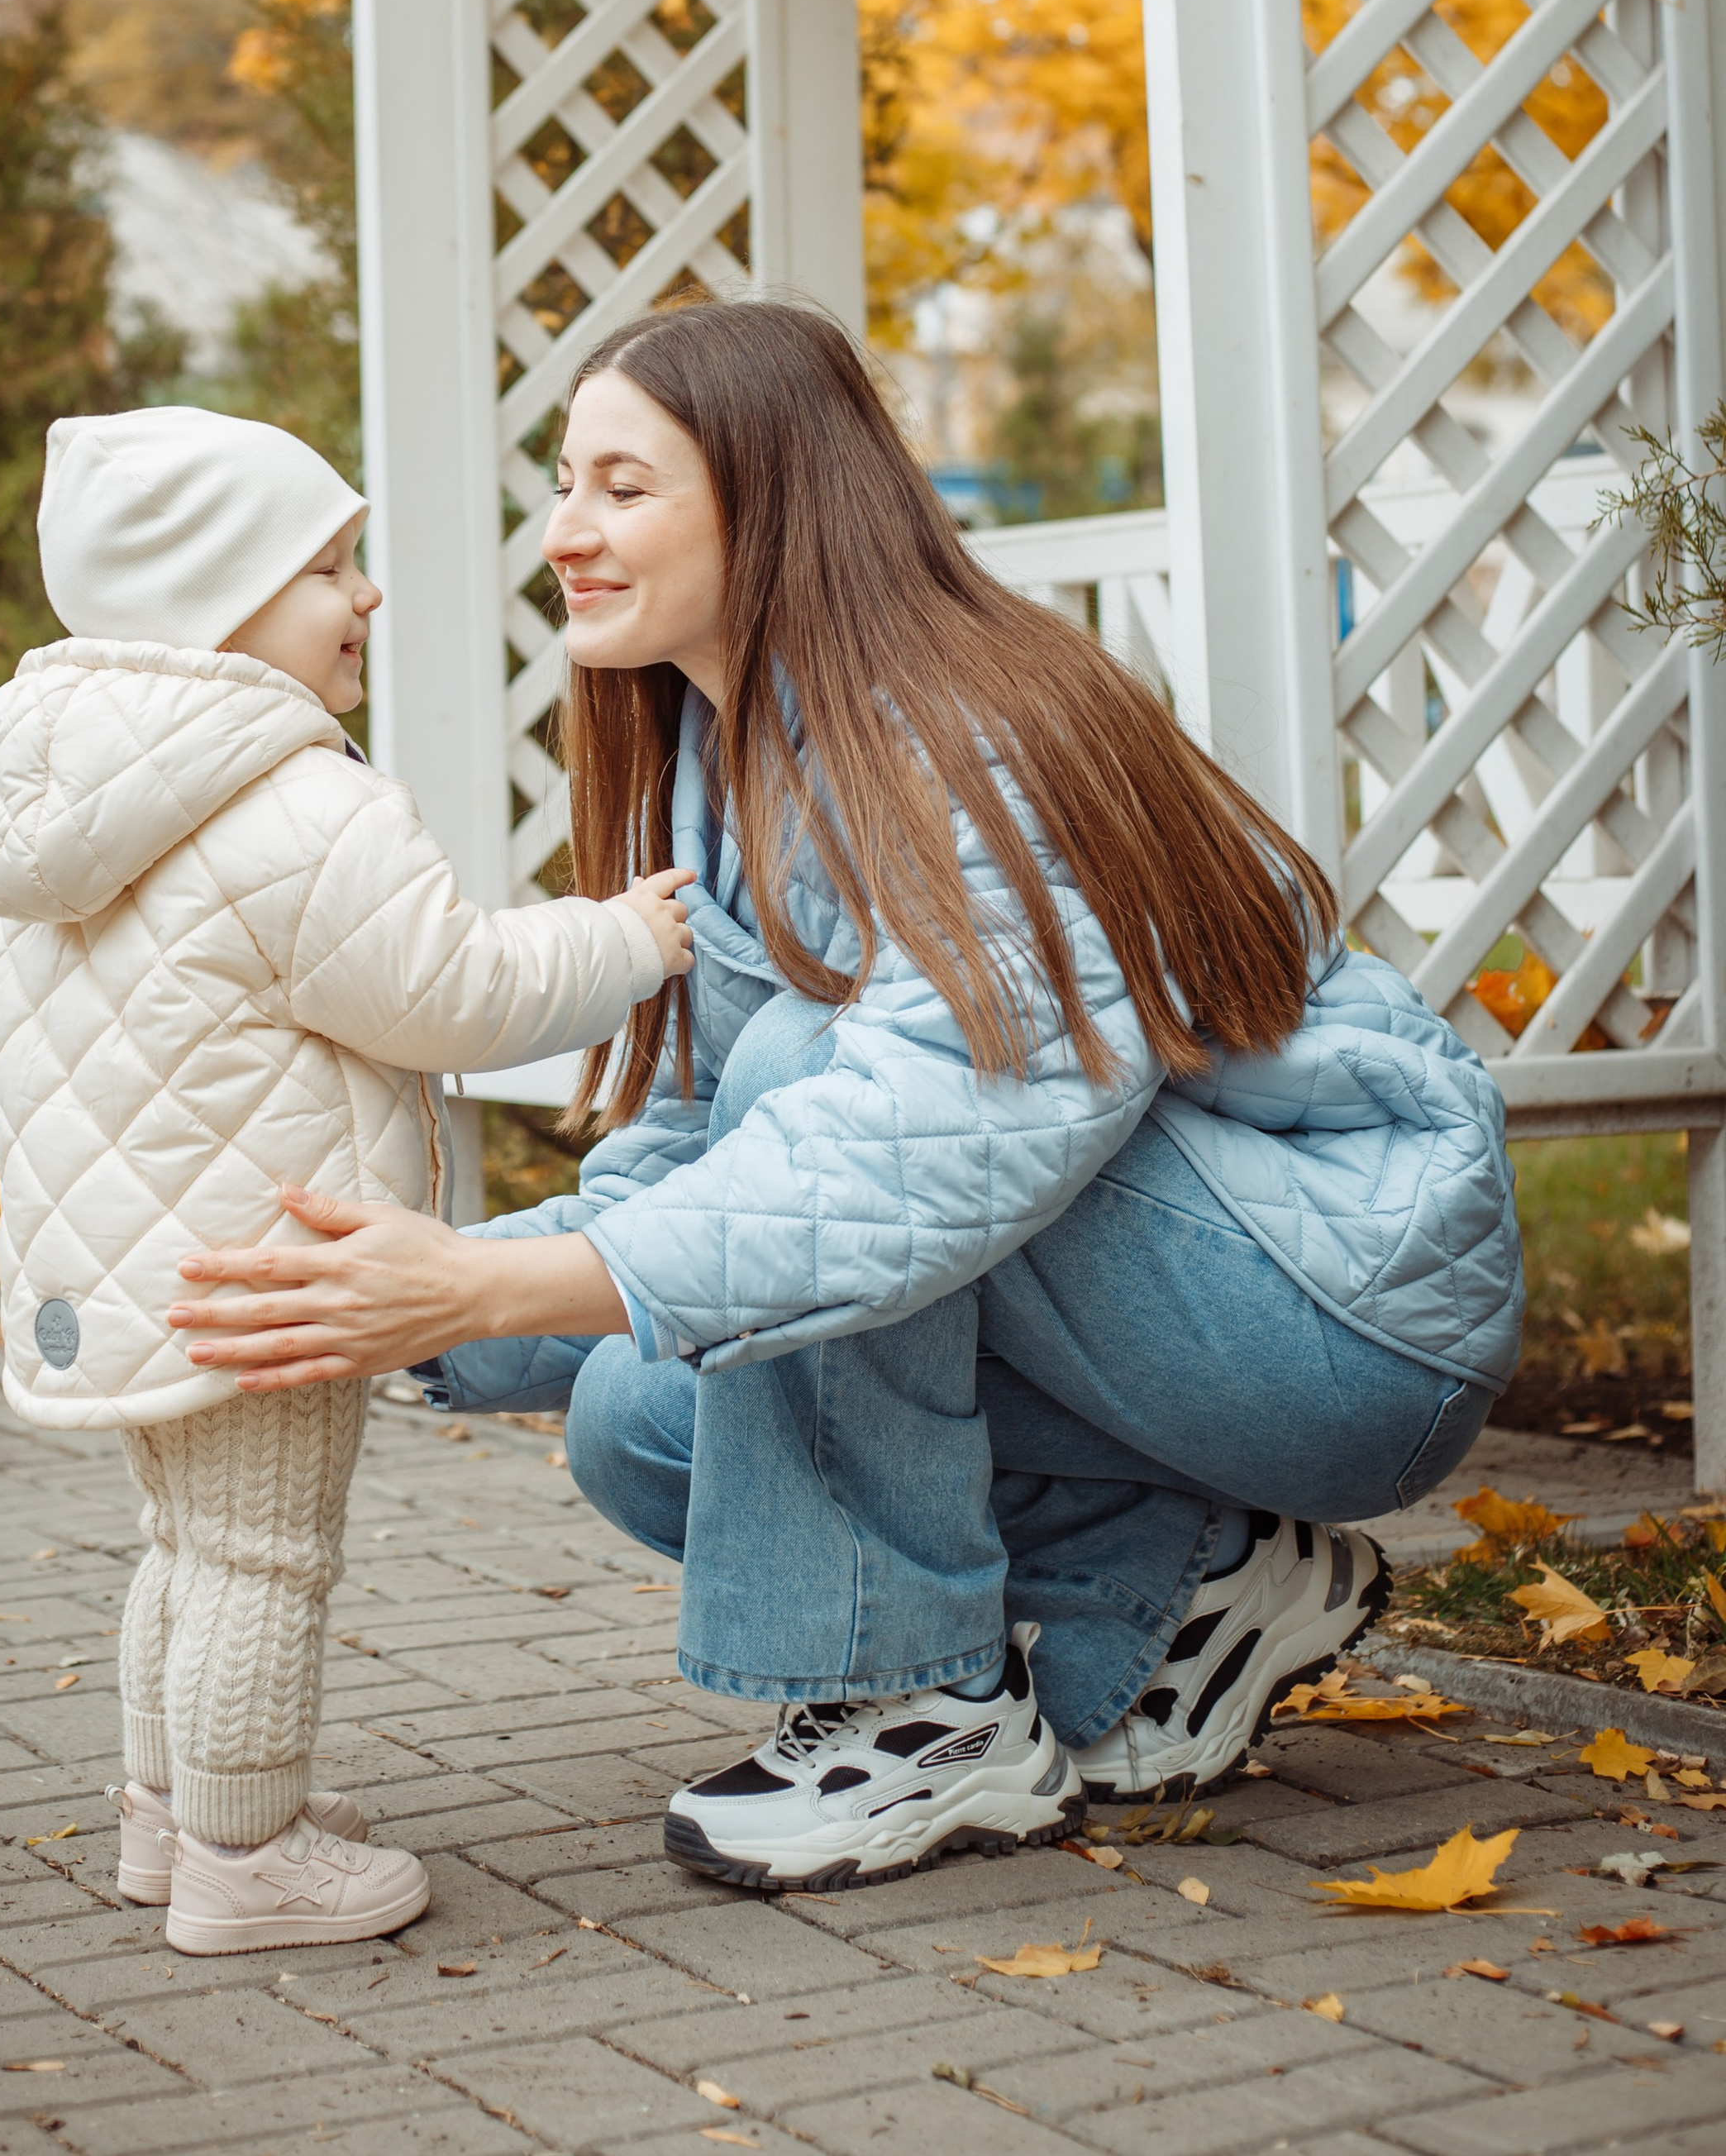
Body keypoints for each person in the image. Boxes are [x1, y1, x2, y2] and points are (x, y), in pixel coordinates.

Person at [168, 308, 1523, 1896]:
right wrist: (397, 1321)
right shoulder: (719, 756)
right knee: (640, 1423)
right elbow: (697, 1148)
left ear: (773, 502)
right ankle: (1193, 1574)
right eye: (562, 484)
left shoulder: (972, 726)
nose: (565, 535)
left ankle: (928, 1714)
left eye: (622, 488)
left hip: (1340, 1318)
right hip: (1149, 1294)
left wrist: (478, 1279)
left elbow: (919, 1147)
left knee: (816, 1110)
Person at [0, 405, 692, 1950]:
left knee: (187, 1541)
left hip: (133, 1265)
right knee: (263, 1554)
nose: (366, 597)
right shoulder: (296, 803)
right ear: (221, 597)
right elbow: (455, 991)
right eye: (331, 566)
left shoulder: (64, 795)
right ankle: (247, 1855)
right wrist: (622, 940)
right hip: (268, 1264)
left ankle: (176, 1816)